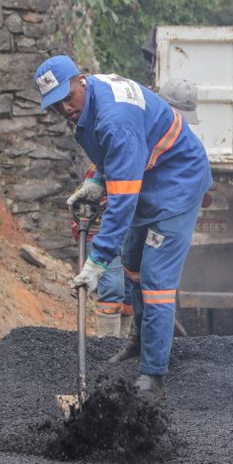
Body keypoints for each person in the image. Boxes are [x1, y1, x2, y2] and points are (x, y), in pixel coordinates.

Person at [34, 55, 212, 398]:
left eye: (67, 98)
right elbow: (119, 152)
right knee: (132, 266)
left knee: (156, 281)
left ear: (80, 80)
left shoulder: (115, 118)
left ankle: (152, 376)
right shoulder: (96, 95)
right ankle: (139, 342)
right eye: (55, 106)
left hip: (177, 185)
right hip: (151, 178)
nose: (65, 110)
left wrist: (97, 261)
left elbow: (123, 199)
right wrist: (97, 180)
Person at [69, 164, 134, 338]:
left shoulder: (138, 162)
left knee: (129, 291)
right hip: (99, 232)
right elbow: (84, 206)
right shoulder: (103, 168)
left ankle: (122, 344)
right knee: (113, 286)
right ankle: (109, 343)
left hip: (129, 231)